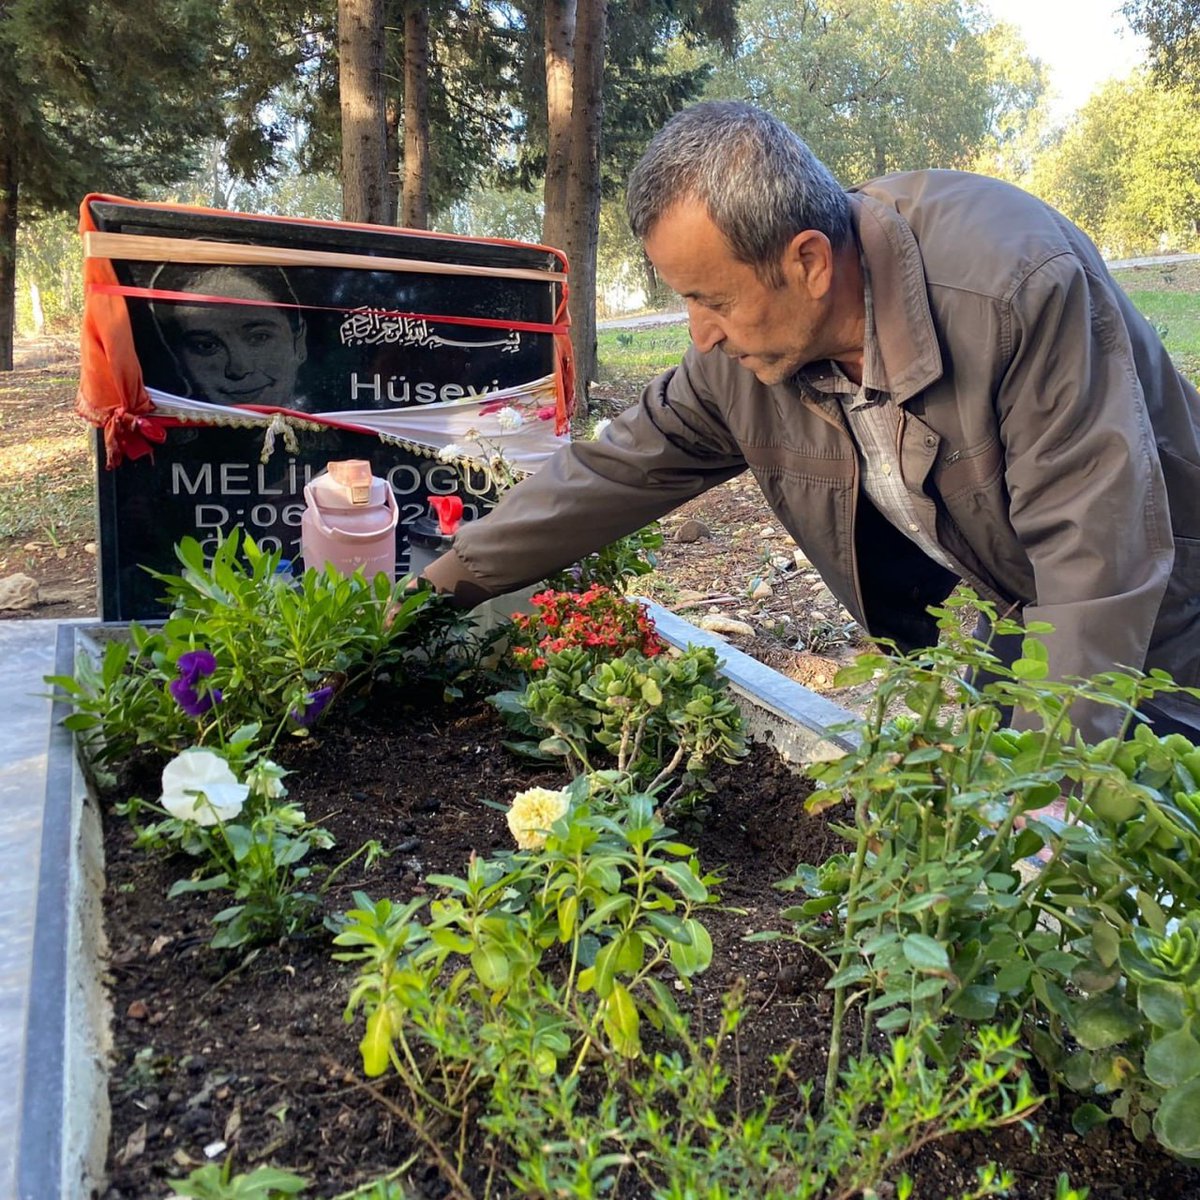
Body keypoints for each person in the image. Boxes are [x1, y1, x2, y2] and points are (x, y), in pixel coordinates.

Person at [424, 100, 1200, 740]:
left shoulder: (1013, 287)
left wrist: (1050, 788)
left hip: (1169, 622)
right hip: (1023, 625)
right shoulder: (743, 364)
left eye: (715, 300)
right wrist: (433, 592)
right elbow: (614, 467)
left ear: (810, 263)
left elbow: (1095, 552)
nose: (700, 335)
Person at [148, 263, 309, 409]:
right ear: (177, 358)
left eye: (259, 337)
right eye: (206, 346)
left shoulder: (331, 430)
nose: (239, 369)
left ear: (298, 343)